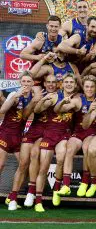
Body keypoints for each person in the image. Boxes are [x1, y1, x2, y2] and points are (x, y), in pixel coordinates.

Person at [7, 74, 58, 210]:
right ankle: (12, 197)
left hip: (46, 131)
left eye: (54, 82)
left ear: (57, 84)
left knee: (35, 154)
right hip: (33, 129)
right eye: (48, 82)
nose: (51, 84)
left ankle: (31, 191)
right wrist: (35, 100)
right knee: (23, 163)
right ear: (44, 84)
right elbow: (25, 115)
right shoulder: (36, 94)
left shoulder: (60, 96)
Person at [33, 73, 76, 212]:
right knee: (43, 168)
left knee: (61, 159)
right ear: (61, 84)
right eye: (66, 82)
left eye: (71, 82)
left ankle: (57, 188)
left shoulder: (77, 99)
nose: (69, 84)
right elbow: (37, 110)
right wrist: (42, 100)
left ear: (75, 85)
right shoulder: (54, 96)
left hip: (63, 135)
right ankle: (38, 201)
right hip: (50, 135)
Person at [55, 75, 96, 197]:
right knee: (69, 149)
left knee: (86, 148)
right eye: (87, 87)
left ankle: (85, 182)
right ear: (83, 88)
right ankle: (66, 185)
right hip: (79, 132)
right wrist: (62, 102)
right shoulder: (78, 100)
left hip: (92, 132)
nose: (89, 89)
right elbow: (59, 110)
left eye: (92, 87)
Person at [0, 71, 40, 175]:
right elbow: (2, 110)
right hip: (5, 134)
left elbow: (28, 115)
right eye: (23, 81)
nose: (26, 84)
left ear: (33, 83)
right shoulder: (14, 94)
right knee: (0, 164)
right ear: (20, 82)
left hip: (19, 137)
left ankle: (24, 190)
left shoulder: (33, 97)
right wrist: (14, 97)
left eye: (28, 81)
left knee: (24, 165)